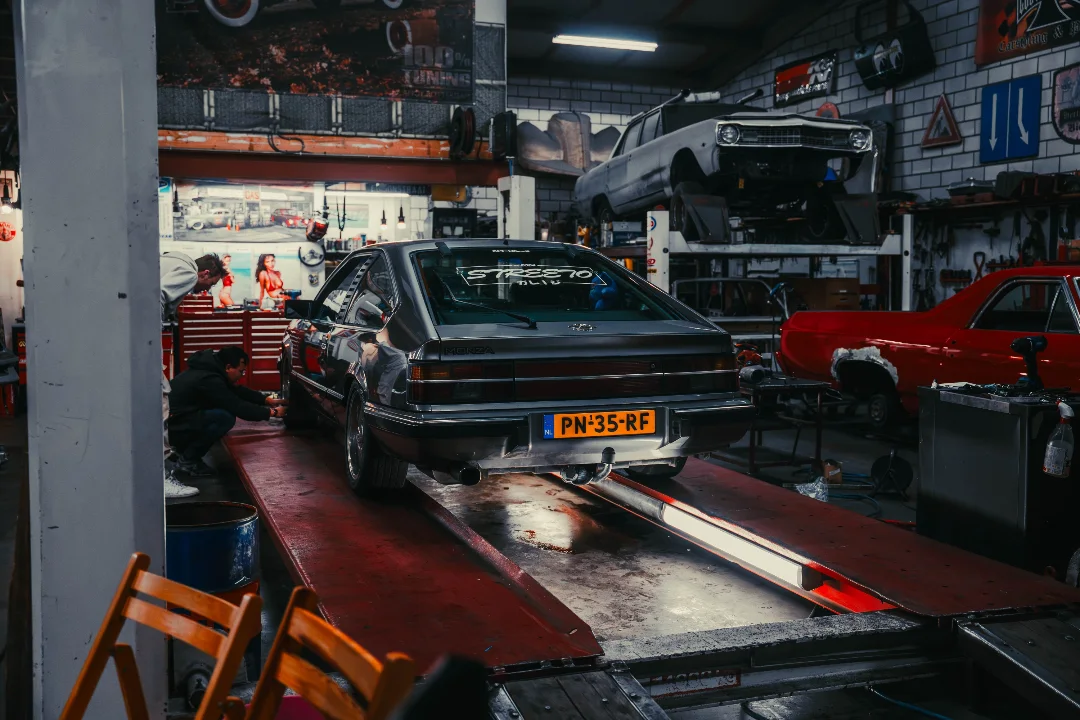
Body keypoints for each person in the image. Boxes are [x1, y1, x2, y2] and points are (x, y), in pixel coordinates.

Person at [161, 252, 226, 498]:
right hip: (139, 340)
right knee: (160, 406)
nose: (205, 291)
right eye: (210, 284)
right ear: (205, 273)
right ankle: (160, 480)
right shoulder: (188, 273)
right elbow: (156, 297)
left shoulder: (168, 261)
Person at [168, 346, 287, 478]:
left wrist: (265, 400)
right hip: (174, 426)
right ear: (228, 367)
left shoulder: (209, 370)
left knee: (220, 414)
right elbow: (237, 406)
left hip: (177, 421)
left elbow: (236, 391)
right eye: (241, 371)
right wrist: (272, 413)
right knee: (224, 418)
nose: (241, 376)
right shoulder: (209, 379)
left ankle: (183, 452)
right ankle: (188, 461)